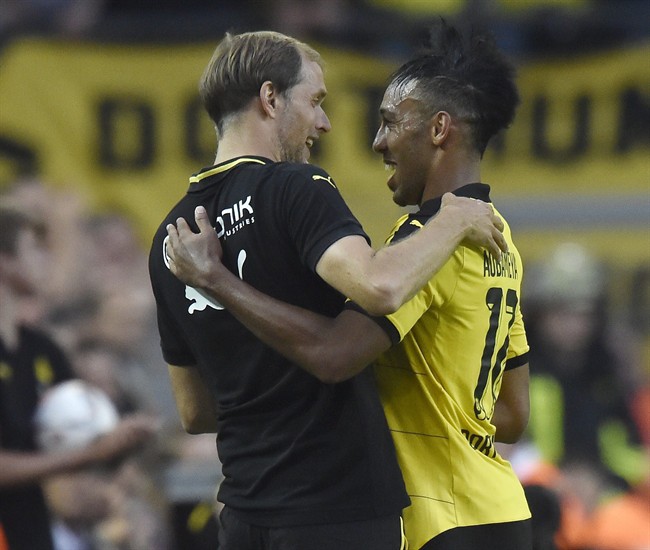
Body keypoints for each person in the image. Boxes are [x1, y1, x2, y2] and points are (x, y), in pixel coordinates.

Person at [164, 22, 531, 550]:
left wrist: (217, 280)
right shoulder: (502, 241)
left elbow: (335, 354)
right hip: (498, 508)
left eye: (388, 122)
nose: (376, 140)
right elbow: (514, 415)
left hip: (439, 519)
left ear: (438, 129)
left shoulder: (428, 244)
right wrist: (440, 408)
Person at [0, 204, 157, 550]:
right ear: (5, 260)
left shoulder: (40, 350)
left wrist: (121, 441)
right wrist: (89, 456)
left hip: (32, 531)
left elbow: (85, 431)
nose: (45, 259)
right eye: (33, 249)